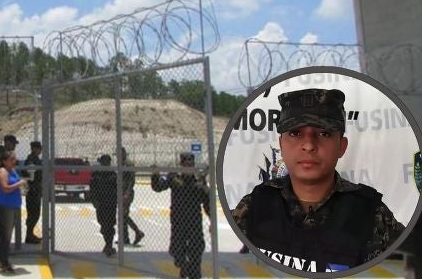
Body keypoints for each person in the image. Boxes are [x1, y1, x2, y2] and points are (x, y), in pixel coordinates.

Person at [232, 88, 405, 273]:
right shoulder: (253, 206)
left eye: (324, 133)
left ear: (342, 146)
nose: (308, 145)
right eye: (295, 133)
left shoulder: (374, 215)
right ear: (281, 145)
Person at [151, 152, 211, 279]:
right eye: (186, 164)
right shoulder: (174, 178)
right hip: (178, 221)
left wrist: (212, 220)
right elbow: (158, 187)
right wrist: (155, 175)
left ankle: (192, 272)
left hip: (194, 222)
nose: (189, 167)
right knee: (177, 252)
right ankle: (185, 267)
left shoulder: (199, 180)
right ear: (181, 165)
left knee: (196, 252)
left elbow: (207, 202)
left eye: (191, 164)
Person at [0, 151, 27, 273]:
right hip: (5, 206)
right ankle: (3, 261)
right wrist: (19, 183)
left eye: (15, 159)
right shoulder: (2, 172)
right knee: (6, 235)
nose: (14, 161)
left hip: (14, 205)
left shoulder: (12, 171)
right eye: (11, 159)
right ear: (4, 161)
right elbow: (5, 188)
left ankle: (2, 260)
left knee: (7, 235)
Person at [90, 154, 118, 257]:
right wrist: (93, 200)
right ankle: (108, 245)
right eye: (105, 162)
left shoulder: (112, 174)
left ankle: (109, 246)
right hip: (101, 202)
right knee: (102, 223)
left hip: (110, 202)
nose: (107, 164)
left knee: (109, 225)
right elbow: (92, 187)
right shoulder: (96, 174)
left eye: (108, 162)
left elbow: (117, 188)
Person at [119, 147, 144, 246]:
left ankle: (138, 232)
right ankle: (125, 238)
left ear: (124, 154)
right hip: (122, 192)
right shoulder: (121, 164)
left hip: (127, 193)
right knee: (122, 216)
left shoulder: (128, 163)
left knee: (123, 215)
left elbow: (131, 180)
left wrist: (127, 193)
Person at [22, 141, 42, 244]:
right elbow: (30, 175)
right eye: (38, 148)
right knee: (33, 213)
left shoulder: (34, 159)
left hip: (35, 189)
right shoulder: (31, 159)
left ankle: (30, 234)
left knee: (35, 213)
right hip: (33, 190)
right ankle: (29, 235)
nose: (39, 150)